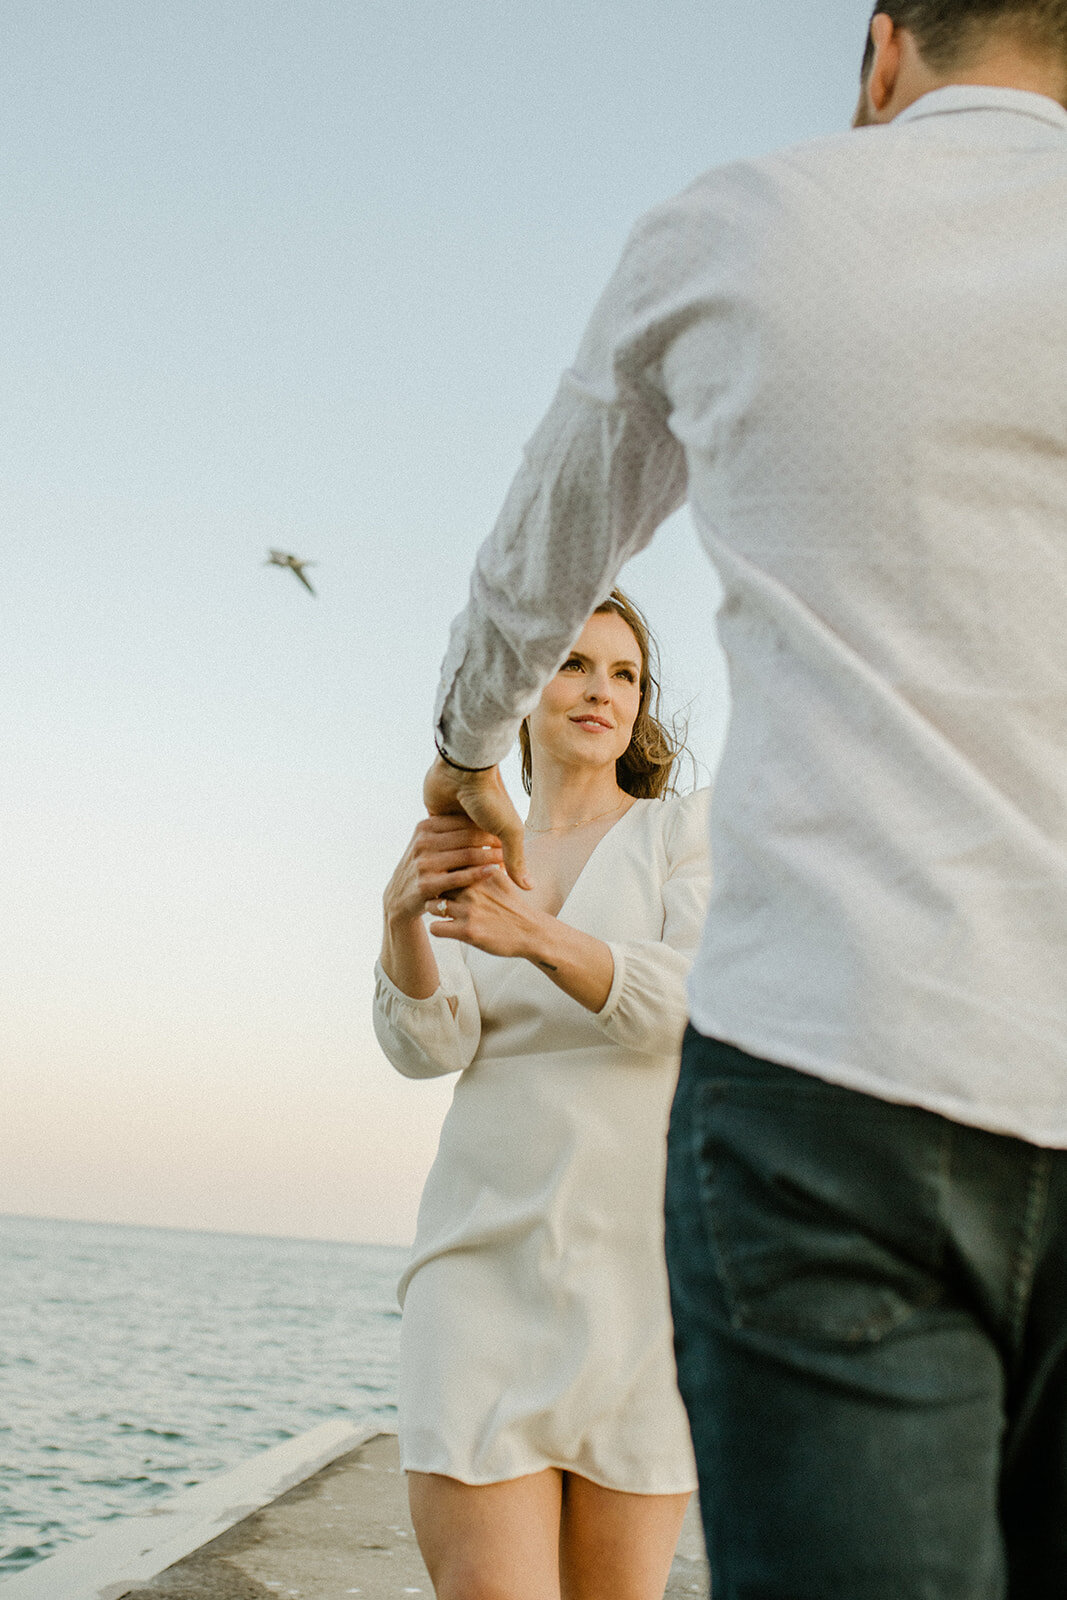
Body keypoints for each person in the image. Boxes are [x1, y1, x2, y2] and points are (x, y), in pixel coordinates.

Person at [419, 4, 1067, 1595]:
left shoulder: (738, 226)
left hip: (829, 1079)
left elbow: (536, 560)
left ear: (880, 49)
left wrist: (457, 754)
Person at [375, 590, 710, 1600]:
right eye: (572, 664)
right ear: (518, 693)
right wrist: (400, 922)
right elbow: (429, 1046)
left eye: (624, 673)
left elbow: (704, 1006)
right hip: (478, 1271)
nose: (601, 690)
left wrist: (536, 935)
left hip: (640, 1288)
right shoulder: (479, 846)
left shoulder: (679, 834)